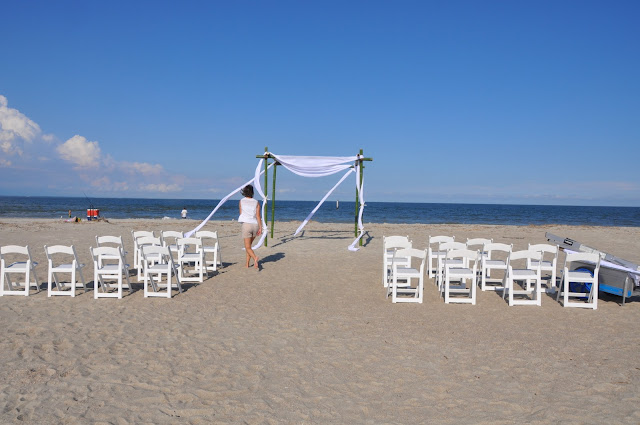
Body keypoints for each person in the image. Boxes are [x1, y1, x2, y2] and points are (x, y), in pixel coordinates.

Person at [238, 185, 261, 269]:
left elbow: (241, 214)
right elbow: (258, 216)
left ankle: (255, 258)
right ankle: (247, 264)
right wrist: (260, 227)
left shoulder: (241, 201)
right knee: (249, 247)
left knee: (247, 247)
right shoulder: (256, 202)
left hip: (247, 225)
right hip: (255, 225)